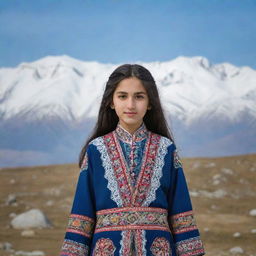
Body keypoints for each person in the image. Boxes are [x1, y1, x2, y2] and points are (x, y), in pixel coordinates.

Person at [60, 64, 205, 256]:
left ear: (150, 102)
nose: (130, 105)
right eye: (122, 96)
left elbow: (181, 210)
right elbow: (83, 210)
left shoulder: (166, 148)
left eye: (139, 96)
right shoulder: (96, 149)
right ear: (111, 102)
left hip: (157, 250)